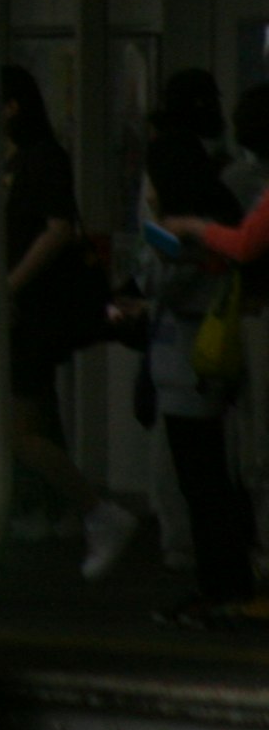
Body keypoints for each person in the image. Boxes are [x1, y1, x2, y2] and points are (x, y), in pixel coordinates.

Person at [141, 68, 259, 617]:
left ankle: (220, 584)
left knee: (199, 474)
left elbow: (173, 268)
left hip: (190, 344)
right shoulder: (221, 188)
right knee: (214, 472)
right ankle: (226, 579)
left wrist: (149, 290)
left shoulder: (184, 208)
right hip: (214, 341)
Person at [0, 68, 122, 575]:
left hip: (34, 313)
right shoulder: (26, 160)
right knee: (35, 419)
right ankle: (73, 513)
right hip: (31, 313)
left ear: (12, 108)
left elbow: (58, 230)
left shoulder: (40, 160)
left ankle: (96, 511)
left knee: (17, 432)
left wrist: (10, 285)